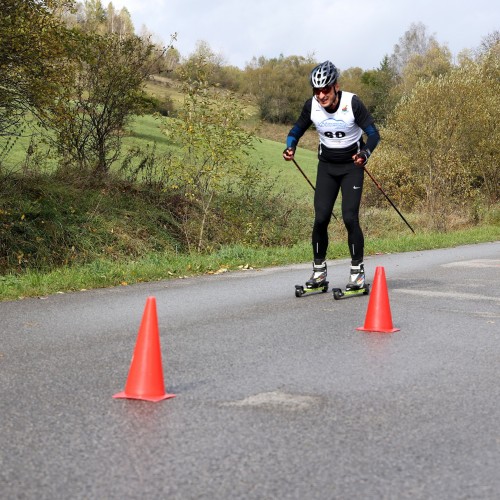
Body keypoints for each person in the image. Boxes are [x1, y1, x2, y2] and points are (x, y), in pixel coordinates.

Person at [283, 60, 380, 290]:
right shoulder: (312, 106)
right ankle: (319, 273)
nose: (321, 95)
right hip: (327, 167)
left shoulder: (352, 103)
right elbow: (295, 130)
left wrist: (365, 153)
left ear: (335, 86)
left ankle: (357, 273)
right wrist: (290, 147)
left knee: (349, 217)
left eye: (325, 89)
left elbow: (374, 135)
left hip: (351, 167)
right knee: (321, 218)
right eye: (317, 90)